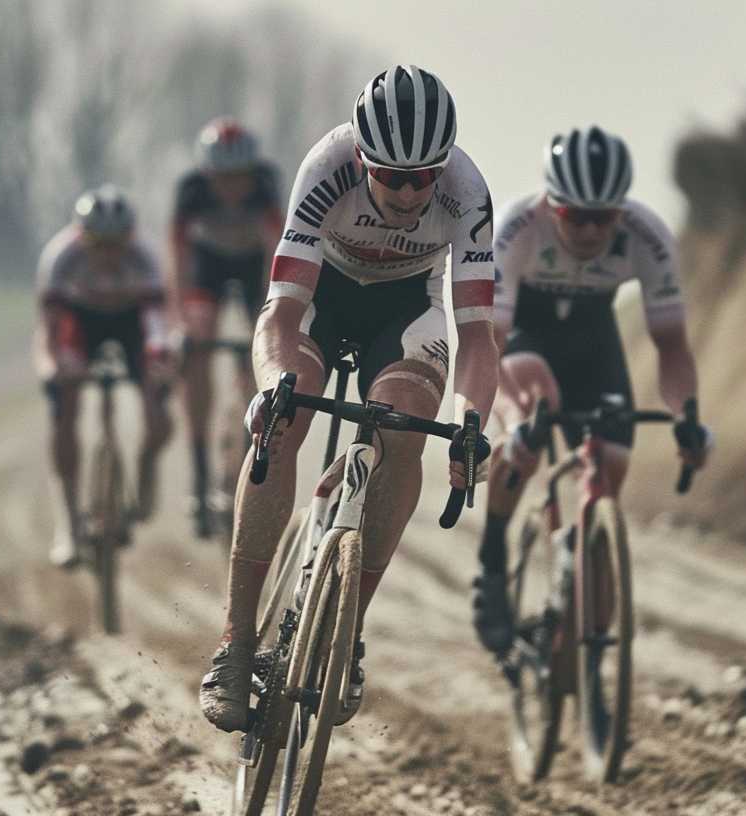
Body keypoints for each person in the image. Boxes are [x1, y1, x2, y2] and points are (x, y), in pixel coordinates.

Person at [199, 65, 499, 732]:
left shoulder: (467, 192)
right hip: (321, 297)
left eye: (423, 175)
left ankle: (346, 633)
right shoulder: (326, 167)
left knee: (409, 428)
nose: (407, 189)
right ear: (363, 158)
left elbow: (478, 334)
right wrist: (273, 383)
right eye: (390, 174)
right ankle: (236, 642)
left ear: (441, 167)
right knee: (284, 415)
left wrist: (471, 422)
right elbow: (281, 314)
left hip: (405, 308)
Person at [471, 125, 715, 658]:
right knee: (539, 403)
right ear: (550, 205)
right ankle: (492, 564)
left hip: (593, 340)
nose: (587, 230)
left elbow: (672, 345)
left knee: (611, 464)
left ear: (621, 211)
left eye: (601, 218)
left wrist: (688, 416)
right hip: (526, 338)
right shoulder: (517, 228)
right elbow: (491, 343)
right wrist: (512, 424)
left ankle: (582, 594)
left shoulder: (646, 235)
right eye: (574, 216)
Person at [35, 185, 176, 568]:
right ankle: (67, 523)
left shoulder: (145, 256)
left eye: (117, 244)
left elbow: (158, 324)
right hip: (80, 325)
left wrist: (160, 361)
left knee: (159, 411)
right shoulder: (60, 257)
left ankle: (146, 464)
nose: (109, 254)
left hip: (133, 324)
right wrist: (54, 367)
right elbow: (50, 329)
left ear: (130, 237)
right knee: (64, 406)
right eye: (100, 245)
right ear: (83, 238)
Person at [170, 118, 285, 538]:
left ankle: (243, 430)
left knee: (260, 349)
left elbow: (279, 250)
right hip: (208, 266)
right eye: (223, 179)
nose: (232, 188)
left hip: (255, 265)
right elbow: (177, 256)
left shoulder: (266, 185)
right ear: (207, 174)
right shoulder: (191, 190)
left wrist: (275, 314)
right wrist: (179, 320)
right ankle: (200, 471)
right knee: (197, 336)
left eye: (240, 178)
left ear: (252, 172)